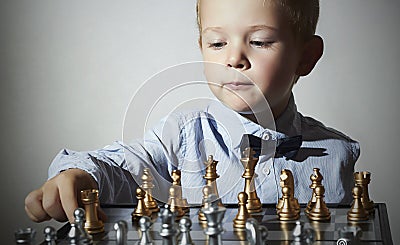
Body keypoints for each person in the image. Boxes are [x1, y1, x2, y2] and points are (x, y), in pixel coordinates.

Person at [25, 0, 359, 223]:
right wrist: (82, 175)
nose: (234, 58)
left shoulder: (339, 152)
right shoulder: (182, 135)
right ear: (201, 48)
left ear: (307, 56)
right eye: (217, 44)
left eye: (259, 41)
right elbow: (123, 165)